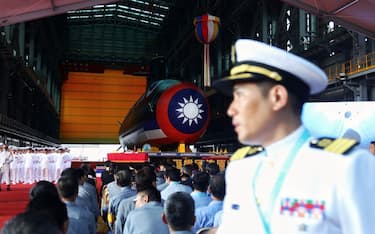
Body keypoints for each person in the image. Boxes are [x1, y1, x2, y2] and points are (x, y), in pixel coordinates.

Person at [213, 39, 375, 233]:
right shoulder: (240, 169)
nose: (231, 110)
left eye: (240, 96)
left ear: (278, 97)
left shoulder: (344, 166)